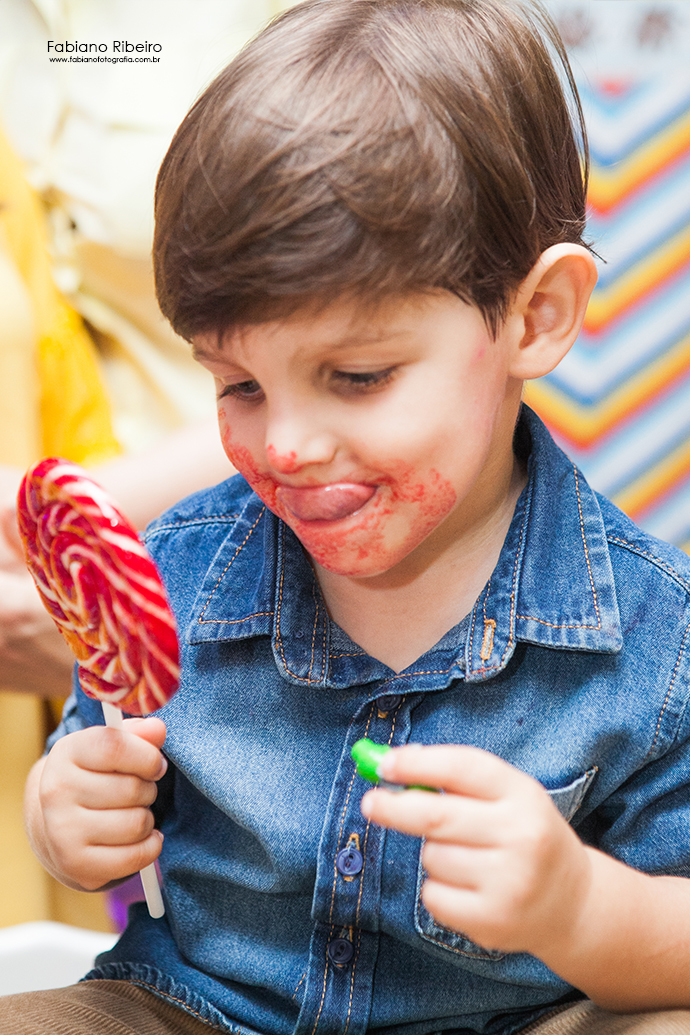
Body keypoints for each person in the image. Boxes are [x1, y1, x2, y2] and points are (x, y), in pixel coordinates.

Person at [5, 0, 690, 1031]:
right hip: (194, 1009)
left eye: (358, 376)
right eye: (239, 385)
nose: (285, 446)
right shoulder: (170, 576)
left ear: (536, 316)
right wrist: (64, 817)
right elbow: (91, 759)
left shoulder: (657, 641)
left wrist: (580, 906)